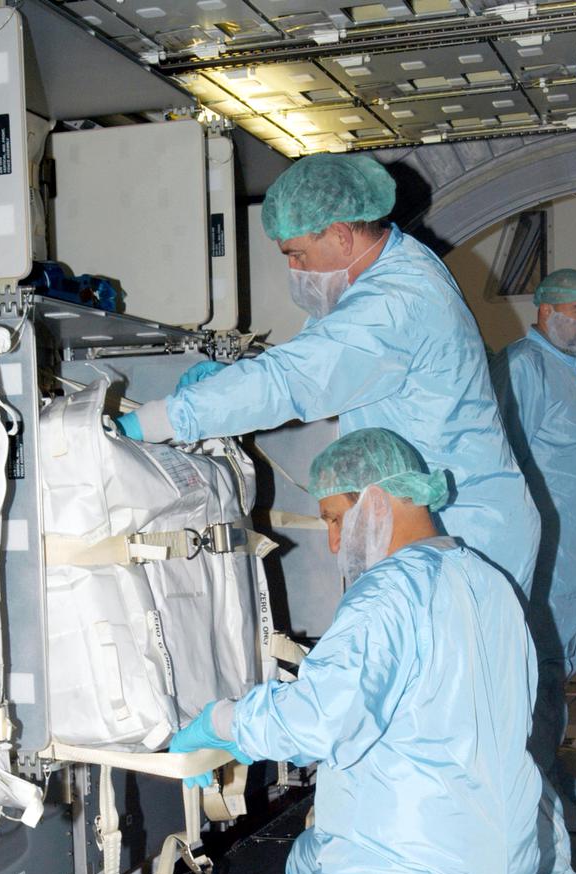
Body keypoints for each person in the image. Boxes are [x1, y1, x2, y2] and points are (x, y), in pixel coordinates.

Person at [169, 428, 541, 874]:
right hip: (507, 864)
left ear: (380, 498)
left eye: (336, 518)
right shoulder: (487, 583)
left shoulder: (387, 595)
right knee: (308, 861)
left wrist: (224, 718)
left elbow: (317, 721)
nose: (334, 544)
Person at [117, 151, 541, 600]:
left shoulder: (396, 300)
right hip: (460, 517)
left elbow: (296, 380)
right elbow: (321, 361)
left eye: (297, 255)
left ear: (339, 235)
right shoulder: (394, 269)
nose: (294, 271)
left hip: (467, 526)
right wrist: (233, 379)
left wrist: (158, 420)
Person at [490, 270, 576, 837]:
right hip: (543, 554)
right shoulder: (525, 368)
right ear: (546, 313)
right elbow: (505, 465)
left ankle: (551, 771)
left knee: (558, 670)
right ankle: (536, 797)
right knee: (537, 673)